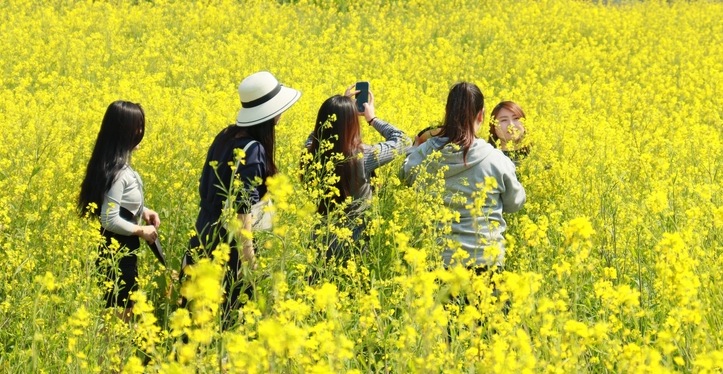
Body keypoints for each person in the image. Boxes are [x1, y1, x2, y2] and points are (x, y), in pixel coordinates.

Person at [185, 71, 301, 325]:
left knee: (198, 322)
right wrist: (250, 264)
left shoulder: (226, 135)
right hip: (230, 248)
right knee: (230, 324)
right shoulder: (254, 149)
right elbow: (242, 211)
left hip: (203, 233)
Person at [401, 83, 525, 271]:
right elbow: (515, 203)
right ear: (482, 115)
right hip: (486, 260)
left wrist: (415, 148)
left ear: (447, 112)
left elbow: (404, 176)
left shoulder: (425, 154)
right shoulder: (496, 159)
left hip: (438, 261)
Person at [304, 84, 411, 262]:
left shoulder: (309, 153)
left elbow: (319, 133)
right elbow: (403, 141)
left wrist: (339, 108)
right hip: (354, 247)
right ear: (352, 123)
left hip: (319, 245)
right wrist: (372, 119)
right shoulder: (363, 156)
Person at [78, 100, 160, 319]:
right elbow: (109, 218)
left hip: (120, 249)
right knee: (119, 319)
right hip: (118, 253)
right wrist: (142, 230)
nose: (141, 131)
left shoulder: (113, 166)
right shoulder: (118, 172)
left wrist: (143, 211)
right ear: (122, 131)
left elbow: (116, 203)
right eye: (137, 126)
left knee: (123, 315)